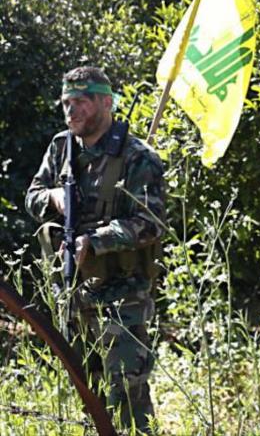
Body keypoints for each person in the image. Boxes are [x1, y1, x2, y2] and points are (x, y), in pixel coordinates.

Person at [25, 66, 166, 434]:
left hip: (122, 297)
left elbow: (151, 222)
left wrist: (97, 241)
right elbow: (32, 196)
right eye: (66, 103)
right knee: (90, 396)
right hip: (74, 295)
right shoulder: (60, 148)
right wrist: (53, 197)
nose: (71, 111)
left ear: (106, 102)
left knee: (128, 396)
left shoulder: (138, 157)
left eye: (81, 102)